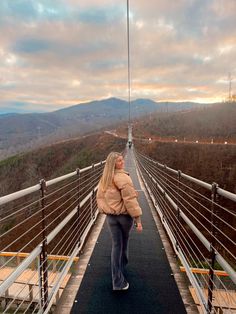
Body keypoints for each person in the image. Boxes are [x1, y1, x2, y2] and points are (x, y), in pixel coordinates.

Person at [96, 152, 143, 291]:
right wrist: (138, 219)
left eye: (122, 159)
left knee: (116, 245)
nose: (122, 162)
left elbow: (100, 198)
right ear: (113, 164)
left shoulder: (104, 179)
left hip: (111, 218)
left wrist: (106, 210)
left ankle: (117, 277)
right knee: (123, 243)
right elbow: (130, 201)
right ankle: (119, 275)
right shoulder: (123, 178)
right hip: (123, 217)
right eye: (119, 161)